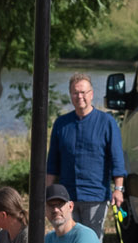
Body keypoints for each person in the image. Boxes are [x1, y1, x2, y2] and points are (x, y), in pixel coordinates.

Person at [46, 73, 127, 219]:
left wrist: (118, 189)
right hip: (67, 197)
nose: (79, 96)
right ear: (71, 95)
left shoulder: (107, 122)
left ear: (91, 94)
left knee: (91, 241)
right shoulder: (61, 124)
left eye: (83, 92)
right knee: (69, 240)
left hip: (96, 195)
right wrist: (47, 192)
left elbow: (117, 159)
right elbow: (52, 162)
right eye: (75, 93)